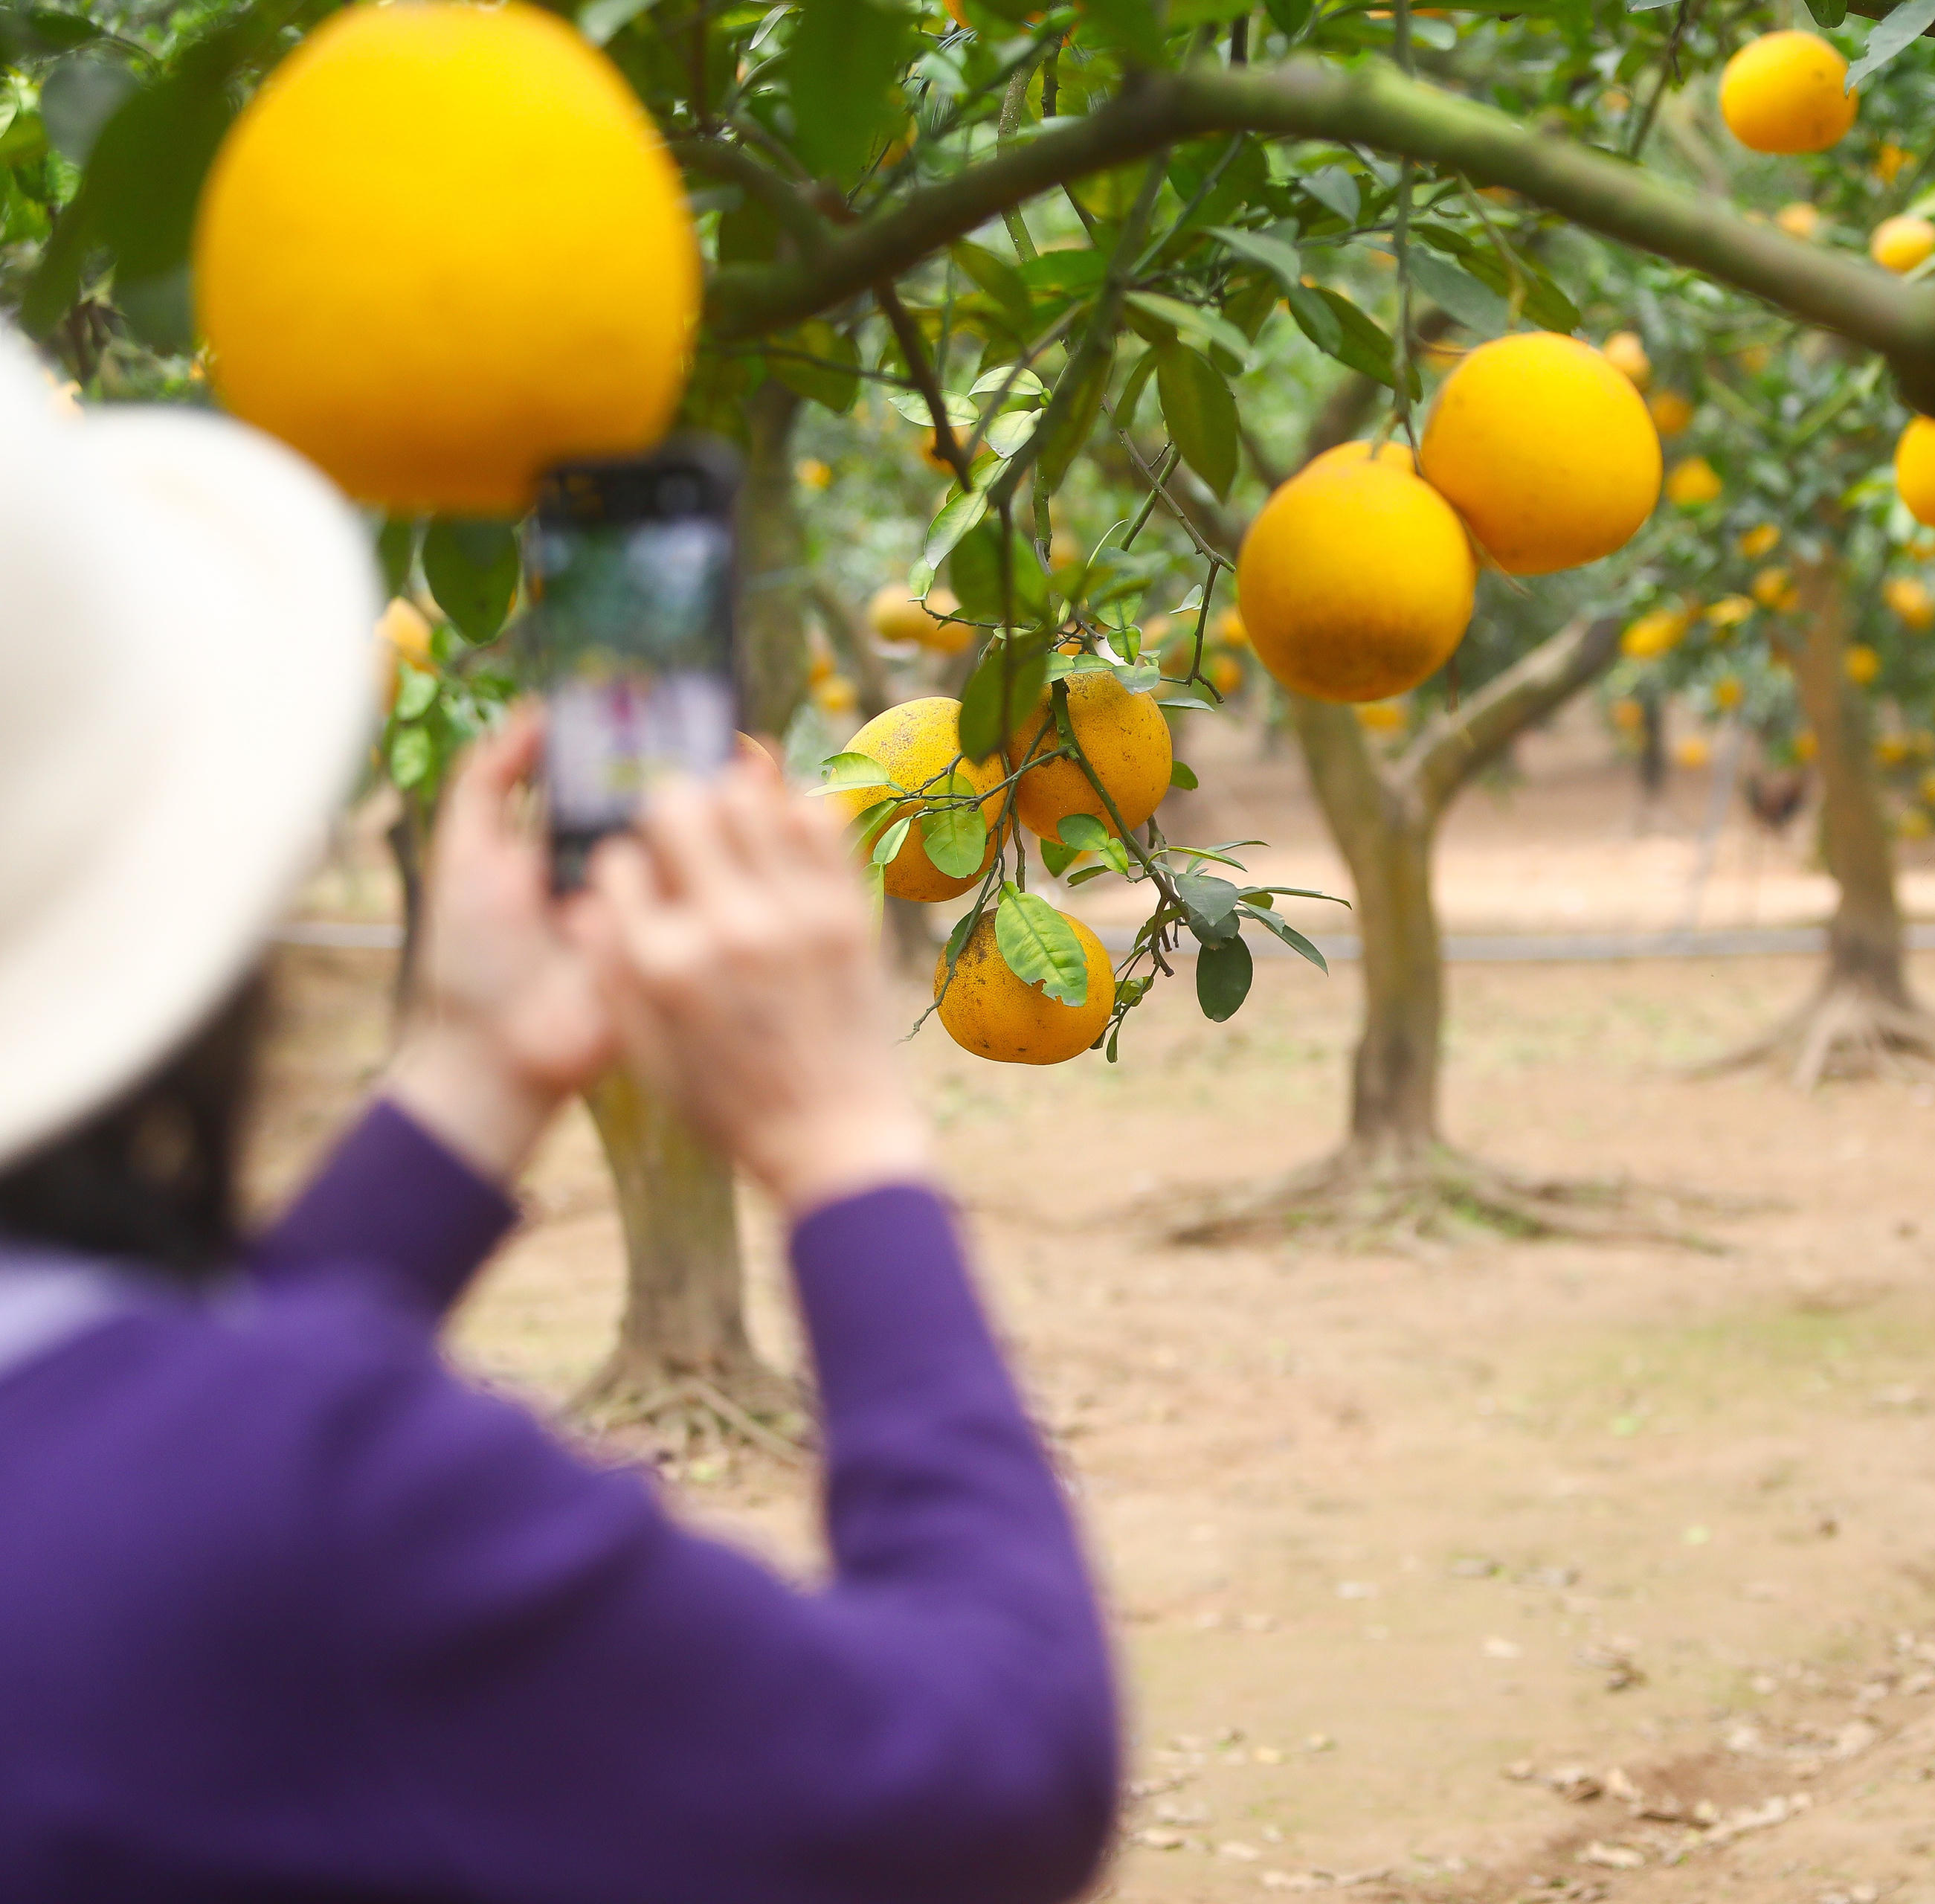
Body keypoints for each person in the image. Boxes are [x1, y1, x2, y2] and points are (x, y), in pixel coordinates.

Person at [0, 336, 1120, 1901]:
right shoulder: (315, 1515)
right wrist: (846, 1143)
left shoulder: (159, 1479)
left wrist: (470, 1079)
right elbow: (998, 1771)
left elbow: (142, 1443)